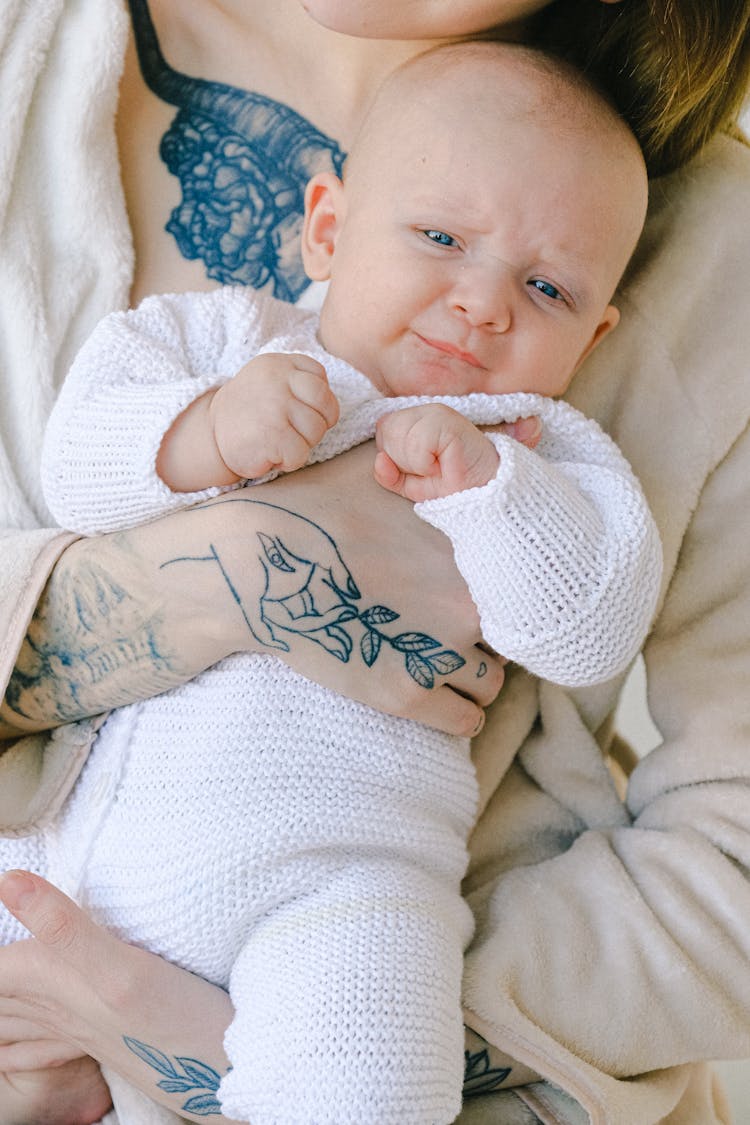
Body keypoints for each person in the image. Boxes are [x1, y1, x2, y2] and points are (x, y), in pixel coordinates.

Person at [0, 1, 748, 1124]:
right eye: (439, 239)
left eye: (547, 288)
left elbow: (593, 629)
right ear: (328, 227)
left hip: (363, 901)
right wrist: (227, 537)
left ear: (598, 331)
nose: (481, 303)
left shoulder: (549, 431)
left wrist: (178, 1046)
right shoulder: (226, 340)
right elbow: (91, 453)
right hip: (54, 868)